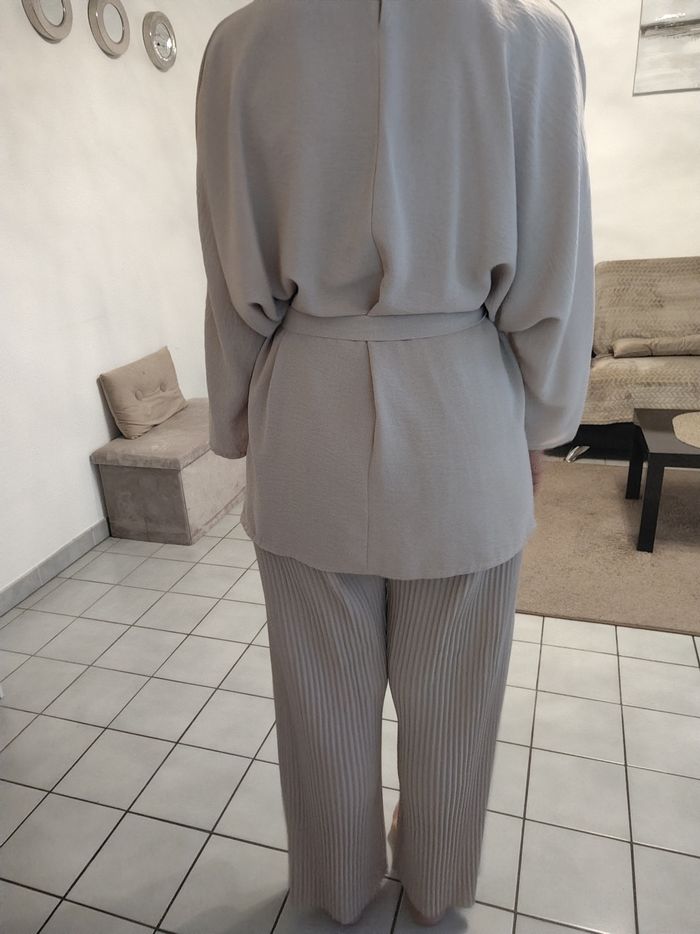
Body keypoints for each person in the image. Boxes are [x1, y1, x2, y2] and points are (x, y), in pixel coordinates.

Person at [195, 0, 594, 926]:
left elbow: (229, 268)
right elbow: (558, 268)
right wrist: (541, 425)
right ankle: (438, 886)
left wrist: (235, 417)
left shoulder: (242, 42)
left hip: (307, 407)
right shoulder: (534, 34)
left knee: (320, 699)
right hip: (464, 410)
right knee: (457, 703)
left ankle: (336, 888)